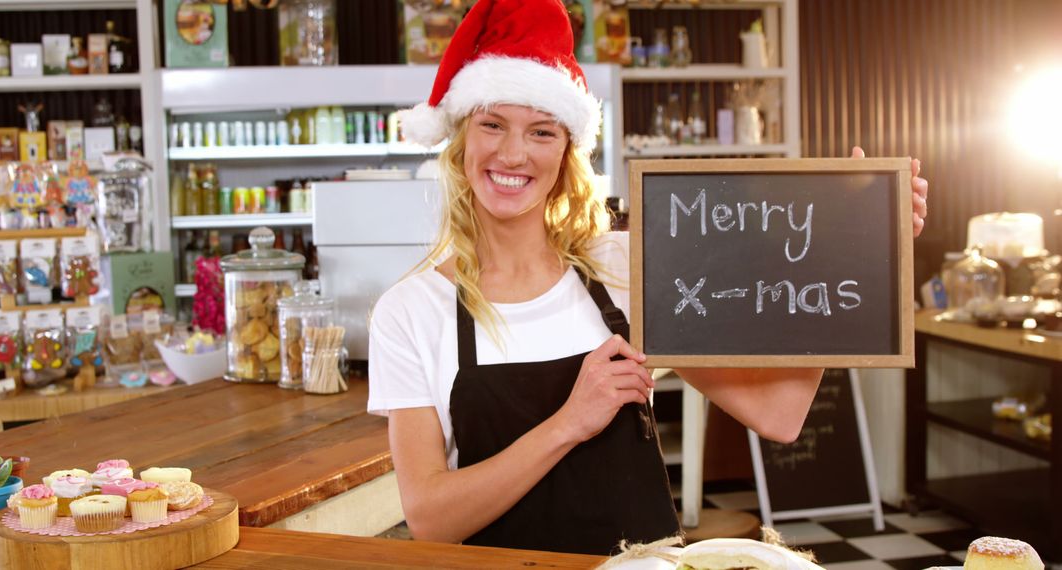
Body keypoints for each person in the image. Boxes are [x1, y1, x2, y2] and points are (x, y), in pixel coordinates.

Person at [368, 0, 929, 556]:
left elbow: (779, 416)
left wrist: (849, 253)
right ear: (463, 139)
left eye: (542, 132)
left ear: (567, 153)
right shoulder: (409, 311)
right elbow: (431, 518)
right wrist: (570, 421)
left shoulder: (624, 269)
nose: (513, 154)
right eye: (492, 124)